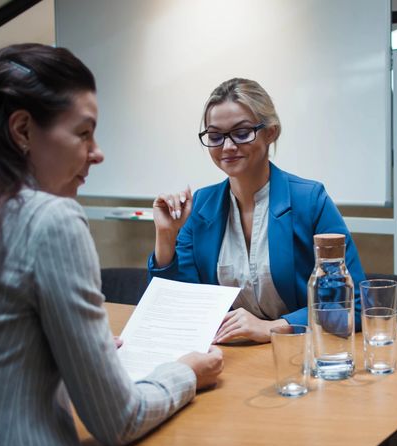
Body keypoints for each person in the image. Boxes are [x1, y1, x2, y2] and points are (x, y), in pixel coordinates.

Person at [0, 44, 223, 446]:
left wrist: (63, 352)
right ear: (23, 130)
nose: (98, 153)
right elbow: (119, 420)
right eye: (83, 133)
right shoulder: (51, 220)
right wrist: (185, 372)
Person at [149, 78, 366, 344]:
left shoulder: (310, 200)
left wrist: (275, 327)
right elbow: (176, 307)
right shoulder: (201, 205)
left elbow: (352, 306)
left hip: (297, 352)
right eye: (215, 137)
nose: (227, 147)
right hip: (229, 355)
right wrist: (166, 235)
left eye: (241, 133)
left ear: (270, 132)